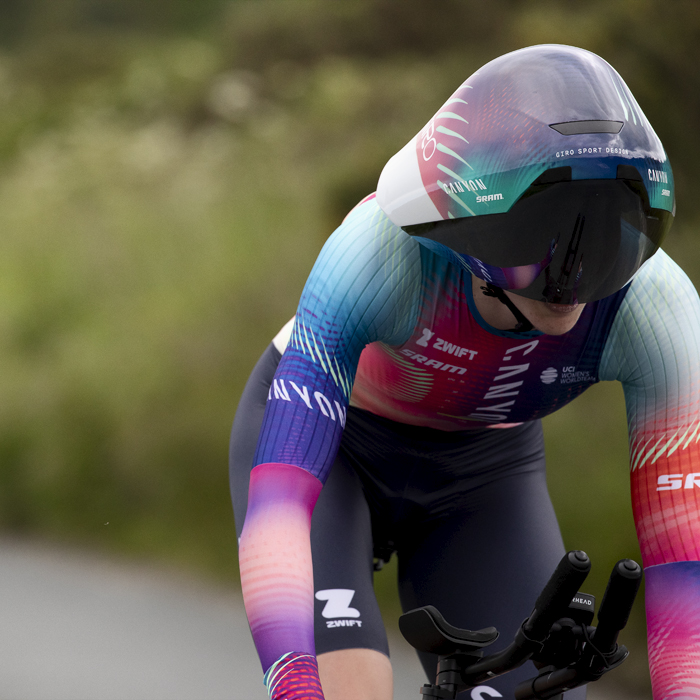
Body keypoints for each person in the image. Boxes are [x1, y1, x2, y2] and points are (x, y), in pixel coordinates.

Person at [230, 44, 700, 700]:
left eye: (607, 239)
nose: (573, 277)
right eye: (541, 240)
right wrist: (295, 683)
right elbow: (279, 509)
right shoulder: (378, 256)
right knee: (348, 689)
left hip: (485, 470)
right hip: (340, 449)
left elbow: (683, 558)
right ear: (467, 229)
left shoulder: (657, 307)